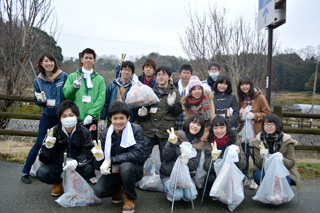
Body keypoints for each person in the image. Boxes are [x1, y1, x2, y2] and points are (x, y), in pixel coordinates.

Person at [21, 53, 68, 184]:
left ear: (55, 62)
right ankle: (25, 171)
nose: (49, 63)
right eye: (46, 61)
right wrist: (40, 101)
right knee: (39, 143)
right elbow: (37, 101)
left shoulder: (63, 76)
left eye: (51, 61)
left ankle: (65, 172)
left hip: (61, 117)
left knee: (64, 143)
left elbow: (68, 94)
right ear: (41, 63)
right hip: (47, 116)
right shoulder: (38, 81)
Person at [92, 101, 145, 213]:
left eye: (122, 118)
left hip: (133, 169)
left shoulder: (136, 130)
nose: (118, 122)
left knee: (125, 167)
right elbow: (98, 165)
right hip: (113, 170)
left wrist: (111, 159)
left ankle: (130, 197)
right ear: (110, 119)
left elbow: (138, 154)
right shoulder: (105, 134)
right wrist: (98, 158)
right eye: (115, 118)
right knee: (98, 191)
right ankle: (119, 189)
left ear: (128, 118)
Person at [37, 100, 95, 196]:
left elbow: (88, 154)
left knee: (88, 169)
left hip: (75, 165)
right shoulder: (52, 132)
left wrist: (77, 162)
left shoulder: (85, 133)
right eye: (64, 116)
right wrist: (48, 147)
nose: (68, 118)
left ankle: (75, 184)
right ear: (60, 118)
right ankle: (57, 183)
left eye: (71, 115)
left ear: (77, 116)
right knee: (43, 172)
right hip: (58, 164)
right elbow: (44, 159)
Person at [137, 66, 182, 160]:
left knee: (166, 157)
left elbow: (178, 112)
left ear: (169, 76)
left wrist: (171, 105)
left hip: (165, 129)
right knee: (141, 154)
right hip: (149, 129)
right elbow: (146, 108)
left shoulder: (174, 92)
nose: (161, 77)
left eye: (164, 74)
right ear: (156, 77)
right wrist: (144, 113)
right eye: (159, 74)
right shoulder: (151, 91)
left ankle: (164, 174)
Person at [63, 48, 106, 141]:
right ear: (81, 59)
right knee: (74, 145)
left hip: (91, 120)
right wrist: (73, 88)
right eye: (86, 58)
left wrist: (91, 114)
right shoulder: (72, 76)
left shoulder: (100, 80)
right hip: (74, 118)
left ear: (94, 61)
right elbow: (67, 95)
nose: (88, 60)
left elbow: (101, 99)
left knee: (90, 146)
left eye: (90, 58)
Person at [249, 113, 302, 190]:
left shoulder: (287, 141)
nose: (269, 126)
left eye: (272, 124)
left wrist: (279, 159)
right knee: (258, 176)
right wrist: (264, 157)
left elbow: (291, 162)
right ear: (263, 126)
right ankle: (267, 192)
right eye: (266, 124)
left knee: (285, 180)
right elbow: (258, 163)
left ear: (278, 125)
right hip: (264, 169)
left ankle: (279, 193)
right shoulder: (258, 141)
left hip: (283, 170)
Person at [160, 115, 205, 202]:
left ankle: (183, 190)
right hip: (169, 173)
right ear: (188, 123)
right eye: (193, 122)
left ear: (201, 129)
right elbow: (166, 157)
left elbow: (194, 166)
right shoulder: (176, 135)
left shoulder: (198, 144)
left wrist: (187, 161)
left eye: (199, 125)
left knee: (191, 196)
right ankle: (168, 190)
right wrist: (172, 144)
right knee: (177, 196)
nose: (195, 126)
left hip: (186, 175)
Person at [237, 76, 271, 189]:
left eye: (246, 84)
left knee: (256, 155)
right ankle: (245, 176)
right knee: (244, 154)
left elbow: (267, 113)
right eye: (242, 85)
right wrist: (241, 116)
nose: (244, 87)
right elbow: (237, 114)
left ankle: (256, 178)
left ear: (250, 85)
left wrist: (255, 116)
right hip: (243, 131)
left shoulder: (259, 97)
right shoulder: (241, 99)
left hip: (257, 131)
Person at [203, 116, 246, 194]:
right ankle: (216, 194)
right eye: (215, 128)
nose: (219, 131)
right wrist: (213, 159)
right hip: (216, 172)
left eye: (222, 127)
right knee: (210, 179)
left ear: (227, 127)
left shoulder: (233, 139)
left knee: (235, 181)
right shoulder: (210, 140)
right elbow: (206, 167)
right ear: (212, 129)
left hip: (231, 171)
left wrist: (236, 155)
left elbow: (243, 165)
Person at [99, 61, 136, 130]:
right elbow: (106, 102)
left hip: (127, 120)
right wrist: (102, 118)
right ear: (120, 71)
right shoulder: (112, 84)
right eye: (125, 69)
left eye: (129, 70)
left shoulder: (134, 87)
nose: (126, 72)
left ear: (132, 73)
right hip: (113, 118)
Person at [181, 75, 215, 144]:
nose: (197, 91)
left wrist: (203, 138)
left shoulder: (208, 100)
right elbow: (188, 120)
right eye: (194, 89)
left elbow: (211, 119)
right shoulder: (187, 102)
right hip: (193, 131)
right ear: (190, 91)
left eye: (199, 89)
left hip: (207, 132)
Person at [173, 64, 193, 130]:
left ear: (191, 75)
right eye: (184, 73)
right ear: (180, 74)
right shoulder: (173, 86)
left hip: (188, 115)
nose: (186, 75)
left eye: (188, 73)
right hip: (175, 116)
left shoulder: (194, 87)